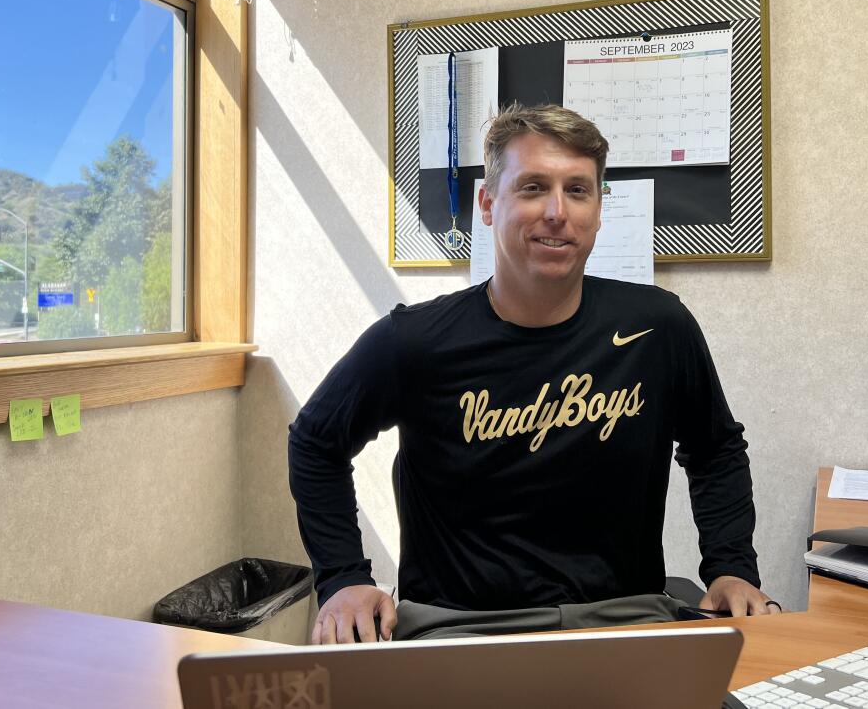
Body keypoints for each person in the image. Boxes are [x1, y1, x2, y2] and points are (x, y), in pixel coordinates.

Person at [288, 103, 777, 644]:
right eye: (533, 187)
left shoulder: (659, 328)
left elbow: (716, 449)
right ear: (488, 204)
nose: (556, 211)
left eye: (578, 190)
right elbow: (315, 442)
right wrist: (343, 577)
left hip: (623, 622)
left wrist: (731, 567)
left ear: (597, 209)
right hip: (460, 631)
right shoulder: (415, 342)